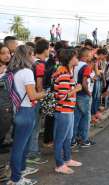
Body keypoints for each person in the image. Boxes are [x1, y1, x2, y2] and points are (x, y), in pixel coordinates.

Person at [6, 45, 46, 185]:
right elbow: (32, 95)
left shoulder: (12, 71)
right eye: (32, 54)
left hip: (17, 110)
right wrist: (45, 93)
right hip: (26, 111)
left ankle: (19, 172)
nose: (34, 57)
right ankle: (16, 179)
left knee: (19, 145)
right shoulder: (27, 72)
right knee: (19, 147)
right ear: (27, 55)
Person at [53, 49, 82, 175]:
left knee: (68, 137)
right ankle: (59, 164)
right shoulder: (64, 73)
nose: (77, 59)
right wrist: (76, 89)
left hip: (67, 110)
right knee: (60, 138)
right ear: (70, 59)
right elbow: (62, 96)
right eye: (75, 57)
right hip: (63, 110)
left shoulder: (66, 71)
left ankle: (67, 159)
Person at [27, 39, 50, 166]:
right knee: (35, 128)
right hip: (36, 99)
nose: (50, 51)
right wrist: (41, 98)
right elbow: (39, 84)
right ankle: (32, 154)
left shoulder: (32, 62)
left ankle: (31, 151)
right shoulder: (40, 64)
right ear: (45, 49)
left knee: (32, 127)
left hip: (29, 99)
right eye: (49, 49)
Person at [72, 47, 94, 148]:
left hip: (75, 93)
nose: (91, 56)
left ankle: (73, 140)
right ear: (85, 56)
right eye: (90, 54)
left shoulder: (74, 65)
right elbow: (84, 82)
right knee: (85, 118)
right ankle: (84, 140)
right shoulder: (86, 67)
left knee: (76, 118)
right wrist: (89, 93)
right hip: (83, 95)